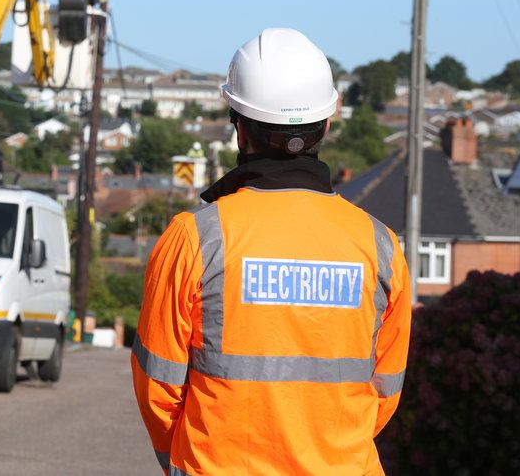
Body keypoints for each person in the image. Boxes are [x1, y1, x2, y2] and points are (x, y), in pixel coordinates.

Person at [131, 28, 411, 475]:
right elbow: (385, 389)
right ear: (326, 124)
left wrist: (183, 459)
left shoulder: (194, 238)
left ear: (239, 128)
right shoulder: (380, 245)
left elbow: (157, 387)